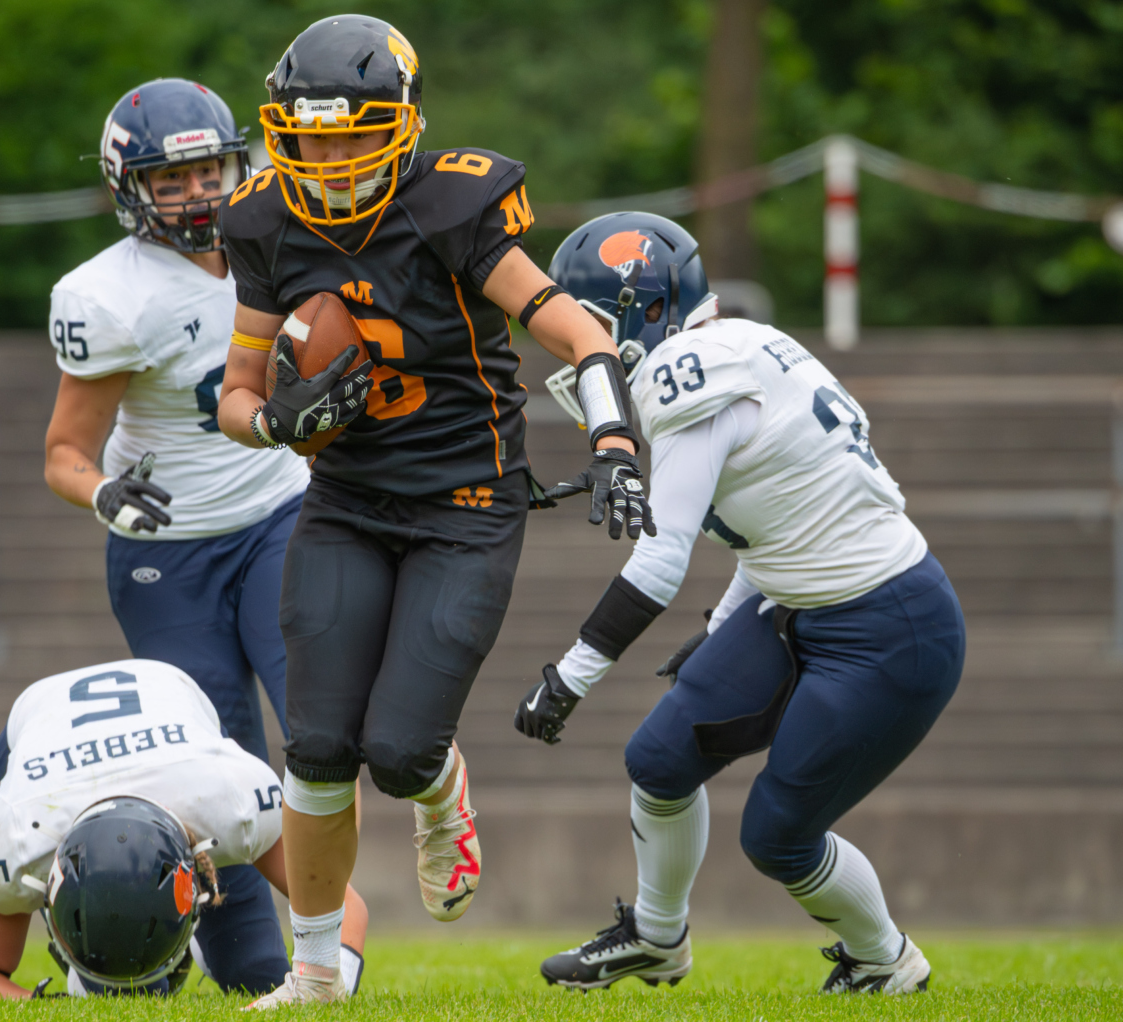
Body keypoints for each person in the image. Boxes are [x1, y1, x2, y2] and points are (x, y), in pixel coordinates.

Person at [215, 16, 654, 1007]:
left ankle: (440, 788)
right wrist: (279, 424)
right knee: (321, 744)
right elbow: (232, 394)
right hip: (346, 498)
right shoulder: (260, 220)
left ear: (402, 123)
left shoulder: (453, 201)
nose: (327, 156)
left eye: (349, 132)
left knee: (400, 750)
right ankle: (319, 971)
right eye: (310, 136)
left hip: (465, 501)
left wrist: (614, 437)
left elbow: (565, 320)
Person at [514, 212, 965, 995]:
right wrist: (722, 626)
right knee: (658, 762)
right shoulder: (739, 344)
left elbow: (660, 558)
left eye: (580, 322)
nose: (569, 343)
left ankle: (886, 962)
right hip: (799, 601)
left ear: (639, 309)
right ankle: (657, 940)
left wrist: (570, 677)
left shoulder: (684, 373)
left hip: (887, 624)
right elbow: (778, 517)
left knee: (779, 837)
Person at [42, 77, 313, 945]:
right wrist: (104, 496)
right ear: (133, 189)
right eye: (173, 180)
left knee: (316, 731)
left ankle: (322, 938)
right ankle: (254, 966)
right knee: (210, 773)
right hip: (172, 558)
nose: (198, 195)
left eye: (211, 173)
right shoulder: (110, 296)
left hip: (278, 516)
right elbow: (62, 456)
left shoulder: (281, 236)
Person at [0, 658, 368, 998]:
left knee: (256, 973)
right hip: (39, 726)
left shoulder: (227, 800)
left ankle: (186, 937)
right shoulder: (22, 831)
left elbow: (344, 906)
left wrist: (331, 990)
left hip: (171, 704)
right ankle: (103, 948)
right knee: (121, 994)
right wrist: (55, 1006)